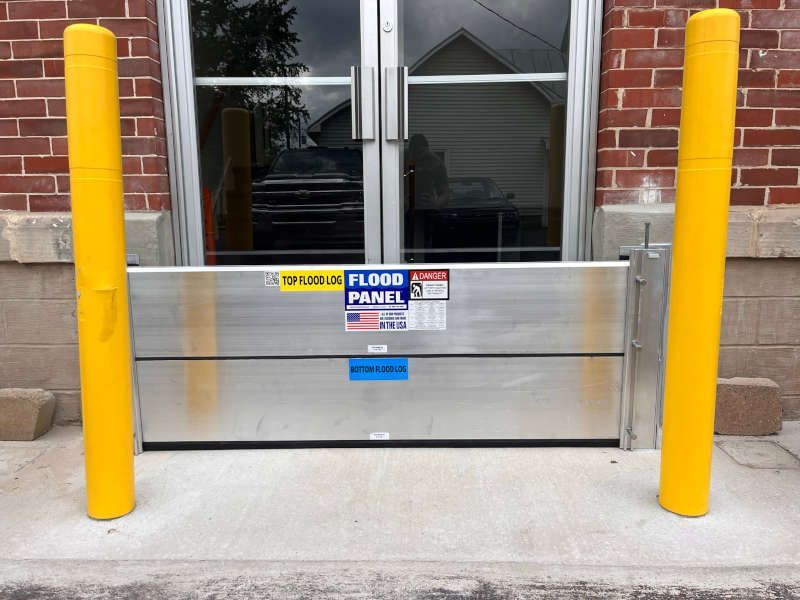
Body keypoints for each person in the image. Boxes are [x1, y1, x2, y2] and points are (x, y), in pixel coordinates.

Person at [404, 134, 448, 260]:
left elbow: (445, 193)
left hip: (427, 210)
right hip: (404, 213)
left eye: (422, 153)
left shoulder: (435, 162)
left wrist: (436, 203)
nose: (420, 157)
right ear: (411, 150)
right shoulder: (399, 159)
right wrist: (400, 200)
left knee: (428, 246)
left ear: (427, 149)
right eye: (416, 153)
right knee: (405, 244)